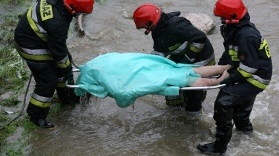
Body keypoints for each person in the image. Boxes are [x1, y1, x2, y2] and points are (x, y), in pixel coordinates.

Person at [197, 0, 273, 154]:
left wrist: (229, 79)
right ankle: (246, 133)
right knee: (240, 108)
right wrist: (218, 70)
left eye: (222, 17)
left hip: (255, 78)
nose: (220, 21)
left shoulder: (246, 35)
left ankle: (219, 147)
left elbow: (249, 69)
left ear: (231, 17)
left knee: (224, 102)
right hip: (250, 72)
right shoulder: (233, 29)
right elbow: (230, 53)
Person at [14, 0, 94, 128]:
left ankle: (67, 98)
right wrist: (67, 68)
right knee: (48, 80)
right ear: (72, 9)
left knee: (60, 68)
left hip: (37, 37)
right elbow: (58, 52)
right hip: (29, 45)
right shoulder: (57, 23)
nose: (78, 15)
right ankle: (36, 116)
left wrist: (64, 65)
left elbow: (58, 45)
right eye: (80, 13)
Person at [132, 3, 215, 115]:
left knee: (191, 95)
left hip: (202, 60)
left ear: (150, 22)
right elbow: (160, 50)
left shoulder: (177, 25)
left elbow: (200, 39)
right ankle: (176, 114)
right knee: (171, 92)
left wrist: (187, 60)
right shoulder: (157, 30)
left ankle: (194, 119)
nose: (145, 29)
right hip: (181, 59)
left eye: (144, 26)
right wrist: (150, 64)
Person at [74, 52, 230, 108]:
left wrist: (220, 80)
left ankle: (222, 76)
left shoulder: (89, 74)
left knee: (186, 78)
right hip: (139, 65)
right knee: (189, 71)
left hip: (146, 74)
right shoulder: (97, 62)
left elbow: (121, 91)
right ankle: (227, 67)